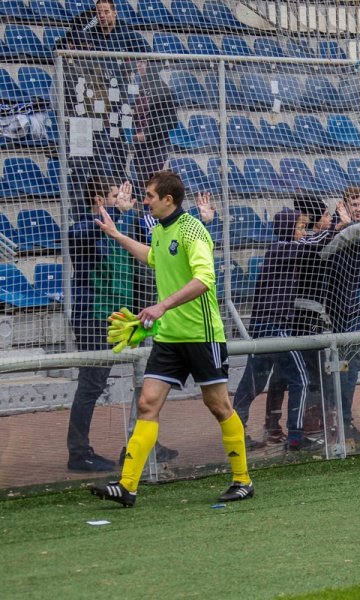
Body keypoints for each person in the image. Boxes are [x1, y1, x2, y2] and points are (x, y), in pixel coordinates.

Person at [89, 171, 252, 507]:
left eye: (149, 196)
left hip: (202, 335)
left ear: (168, 199)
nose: (144, 200)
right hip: (168, 337)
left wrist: (162, 306)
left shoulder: (193, 230)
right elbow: (152, 257)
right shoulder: (160, 230)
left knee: (218, 405)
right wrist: (117, 234)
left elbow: (205, 279)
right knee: (147, 403)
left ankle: (242, 480)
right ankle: (127, 486)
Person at [232, 205, 349, 451]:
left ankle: (236, 433)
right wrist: (336, 228)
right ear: (288, 229)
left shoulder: (282, 249)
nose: (304, 232)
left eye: (305, 227)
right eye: (301, 227)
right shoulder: (282, 248)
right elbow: (312, 244)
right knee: (300, 380)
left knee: (252, 384)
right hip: (274, 327)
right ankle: (295, 437)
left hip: (264, 325)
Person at [66, 176, 138, 472]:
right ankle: (78, 453)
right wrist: (116, 212)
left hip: (122, 318)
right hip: (94, 318)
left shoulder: (119, 229)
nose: (121, 199)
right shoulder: (82, 228)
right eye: (114, 195)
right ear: (98, 200)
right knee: (91, 385)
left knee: (146, 373)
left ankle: (139, 443)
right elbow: (84, 232)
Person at [324, 187, 360, 443]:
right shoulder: (340, 232)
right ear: (343, 205)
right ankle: (340, 422)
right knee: (345, 367)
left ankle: (341, 420)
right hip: (341, 312)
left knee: (350, 367)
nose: (359, 209)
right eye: (354, 204)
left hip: (356, 311)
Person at [82, 0, 151, 181]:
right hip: (96, 95)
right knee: (97, 137)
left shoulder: (126, 34)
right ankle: (99, 180)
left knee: (118, 136)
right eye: (99, 12)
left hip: (119, 94)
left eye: (106, 12)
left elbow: (148, 54)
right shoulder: (90, 34)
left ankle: (119, 177)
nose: (102, 16)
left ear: (114, 13)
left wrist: (130, 68)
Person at [131, 60, 177, 199]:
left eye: (143, 62)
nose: (139, 65)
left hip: (156, 145)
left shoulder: (162, 89)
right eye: (139, 62)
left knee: (151, 186)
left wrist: (147, 134)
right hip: (141, 146)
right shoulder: (141, 88)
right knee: (142, 185)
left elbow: (171, 121)